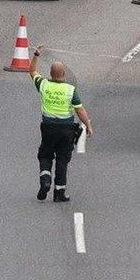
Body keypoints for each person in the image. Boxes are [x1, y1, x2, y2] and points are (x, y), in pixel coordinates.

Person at [28, 47, 93, 203]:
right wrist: (88, 125)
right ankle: (59, 192)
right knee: (62, 159)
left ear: (50, 74)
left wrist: (36, 55)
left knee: (45, 155)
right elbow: (80, 110)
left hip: (48, 127)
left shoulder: (43, 85)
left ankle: (45, 179)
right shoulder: (70, 90)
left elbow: (32, 71)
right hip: (67, 129)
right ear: (64, 74)